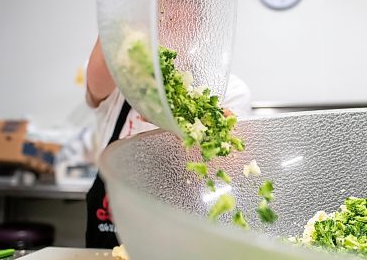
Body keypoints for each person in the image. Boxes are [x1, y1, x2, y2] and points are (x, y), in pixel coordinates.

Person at [85, 36, 250, 248]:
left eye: (184, 9)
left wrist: (172, 119)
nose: (171, 20)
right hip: (109, 248)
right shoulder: (121, 88)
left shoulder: (229, 90)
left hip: (184, 248)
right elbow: (110, 36)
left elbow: (225, 178)